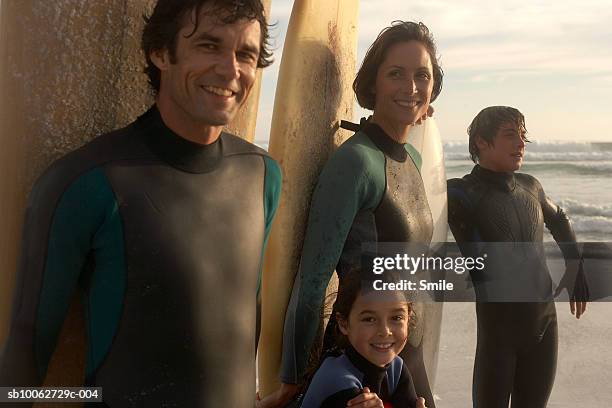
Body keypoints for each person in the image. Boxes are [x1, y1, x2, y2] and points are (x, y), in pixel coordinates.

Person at [0, 1, 280, 407]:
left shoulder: (263, 176)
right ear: (161, 53)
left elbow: (244, 323)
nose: (230, 69)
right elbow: (24, 360)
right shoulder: (85, 183)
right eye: (208, 46)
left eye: (245, 54)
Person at [259, 21, 443, 408]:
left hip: (406, 357)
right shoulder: (355, 163)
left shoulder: (411, 157)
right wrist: (293, 380)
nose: (411, 87)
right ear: (373, 84)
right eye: (396, 74)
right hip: (358, 369)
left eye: (421, 75)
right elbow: (311, 284)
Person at [447, 106, 588, 408]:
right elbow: (413, 203)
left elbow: (560, 219)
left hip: (544, 325)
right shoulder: (459, 193)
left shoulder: (530, 186)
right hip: (498, 333)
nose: (521, 143)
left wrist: (575, 267)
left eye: (523, 136)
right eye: (510, 135)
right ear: (481, 142)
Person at [299, 272, 427, 408]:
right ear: (344, 324)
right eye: (369, 319)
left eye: (396, 318)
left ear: (408, 319)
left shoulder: (396, 368)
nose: (385, 331)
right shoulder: (337, 379)